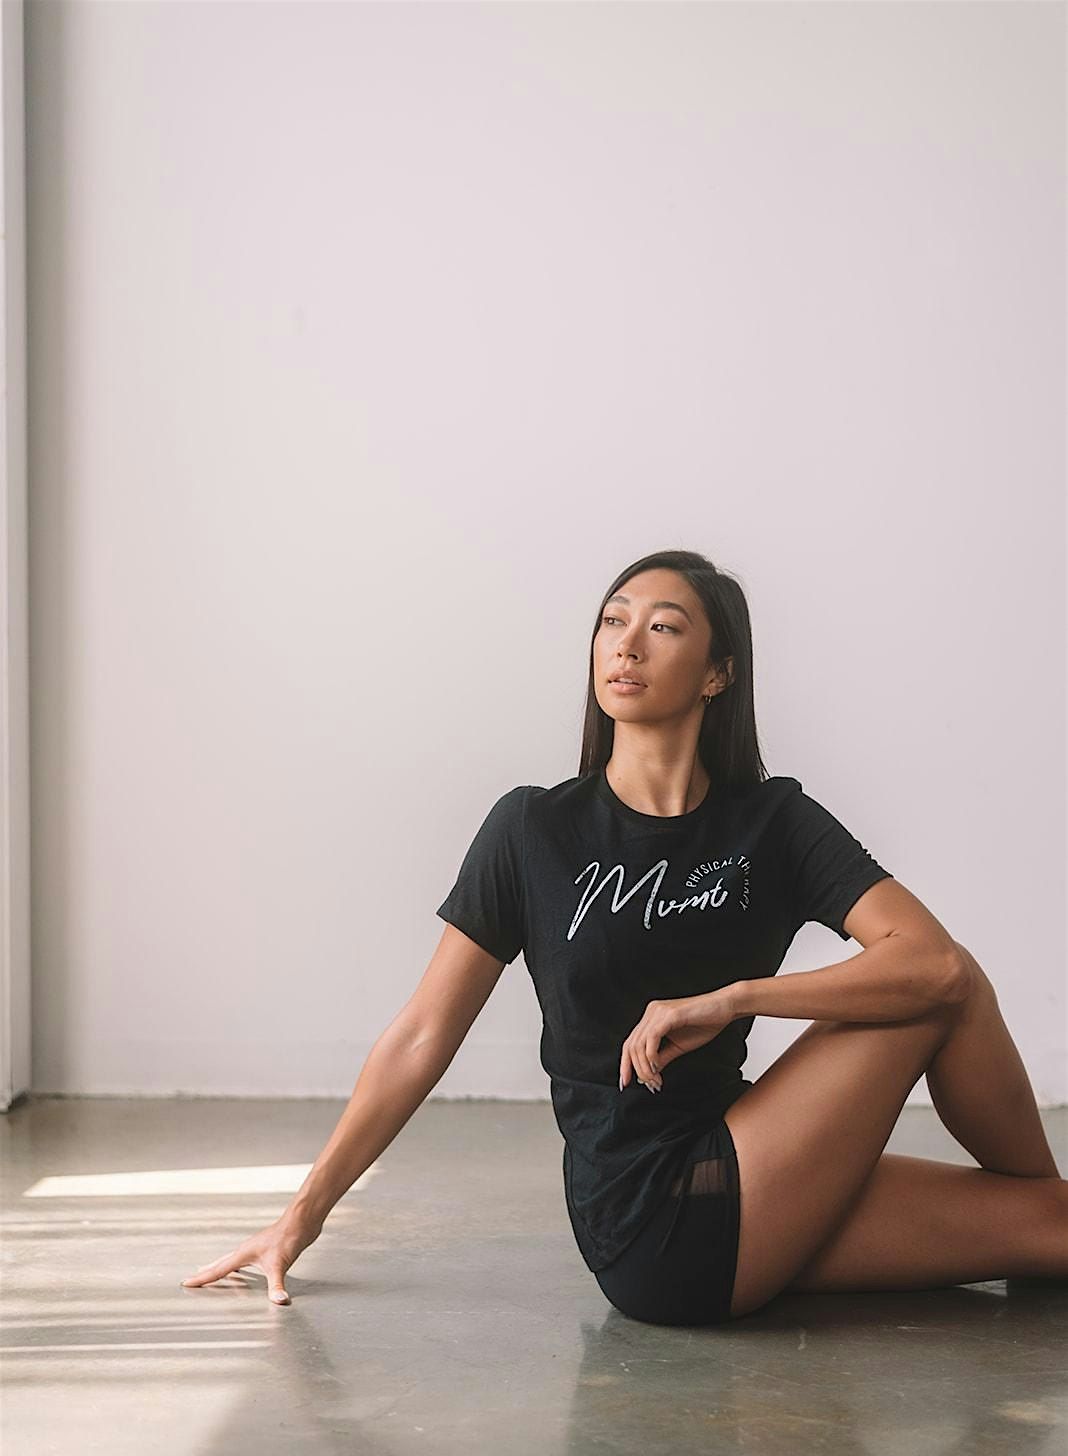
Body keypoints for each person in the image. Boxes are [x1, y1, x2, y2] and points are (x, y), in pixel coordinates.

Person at [181, 550, 1065, 1320]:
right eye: (613, 621)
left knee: (1052, 1224)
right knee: (943, 987)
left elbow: (926, 957)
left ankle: (1038, 1197)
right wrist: (302, 1216)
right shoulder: (532, 830)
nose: (627, 644)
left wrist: (736, 1000)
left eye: (663, 626)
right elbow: (421, 1036)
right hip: (653, 1212)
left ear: (718, 674)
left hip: (760, 1163)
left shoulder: (772, 823)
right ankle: (1031, 1186)